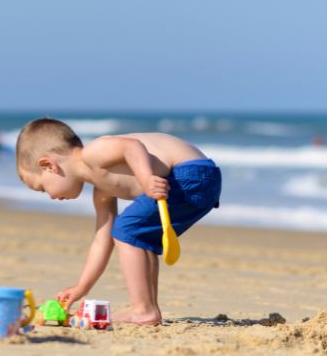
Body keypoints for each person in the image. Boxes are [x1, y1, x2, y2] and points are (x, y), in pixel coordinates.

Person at [15, 118, 221, 325]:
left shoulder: (93, 154)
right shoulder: (102, 191)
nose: (49, 196)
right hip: (199, 182)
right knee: (140, 238)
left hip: (190, 174)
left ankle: (143, 310)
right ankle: (149, 309)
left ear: (48, 165)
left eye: (42, 188)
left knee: (127, 230)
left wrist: (146, 178)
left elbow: (131, 147)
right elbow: (102, 239)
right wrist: (82, 286)